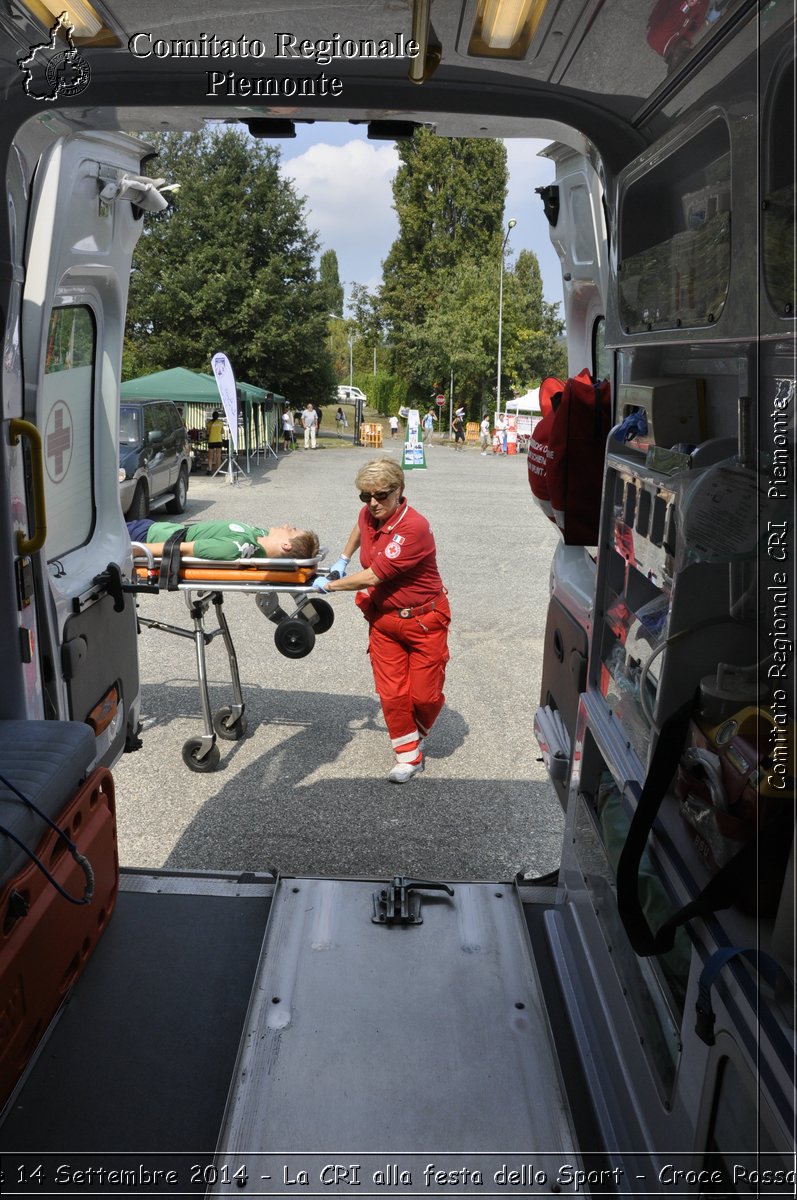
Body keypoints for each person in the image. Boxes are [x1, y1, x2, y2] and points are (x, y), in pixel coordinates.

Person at [312, 458, 450, 784]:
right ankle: (408, 755)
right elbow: (360, 525)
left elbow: (373, 576)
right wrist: (342, 560)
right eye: (365, 496)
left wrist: (328, 586)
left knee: (425, 697)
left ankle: (413, 731)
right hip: (385, 621)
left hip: (424, 621)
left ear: (400, 491)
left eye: (381, 495)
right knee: (392, 694)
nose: (372, 503)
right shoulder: (370, 513)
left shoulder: (412, 528)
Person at [127, 519, 319, 560]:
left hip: (143, 536)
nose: (286, 524)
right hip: (154, 526)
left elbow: (179, 548)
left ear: (285, 545)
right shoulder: (260, 536)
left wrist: (132, 549)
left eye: (291, 530)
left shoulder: (238, 546)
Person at [206, 410, 224, 474]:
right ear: (218, 416)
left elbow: (207, 433)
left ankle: (209, 469)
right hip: (219, 440)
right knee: (218, 456)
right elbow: (222, 432)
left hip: (211, 440)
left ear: (212, 416)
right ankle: (218, 470)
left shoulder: (209, 423)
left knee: (210, 456)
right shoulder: (221, 423)